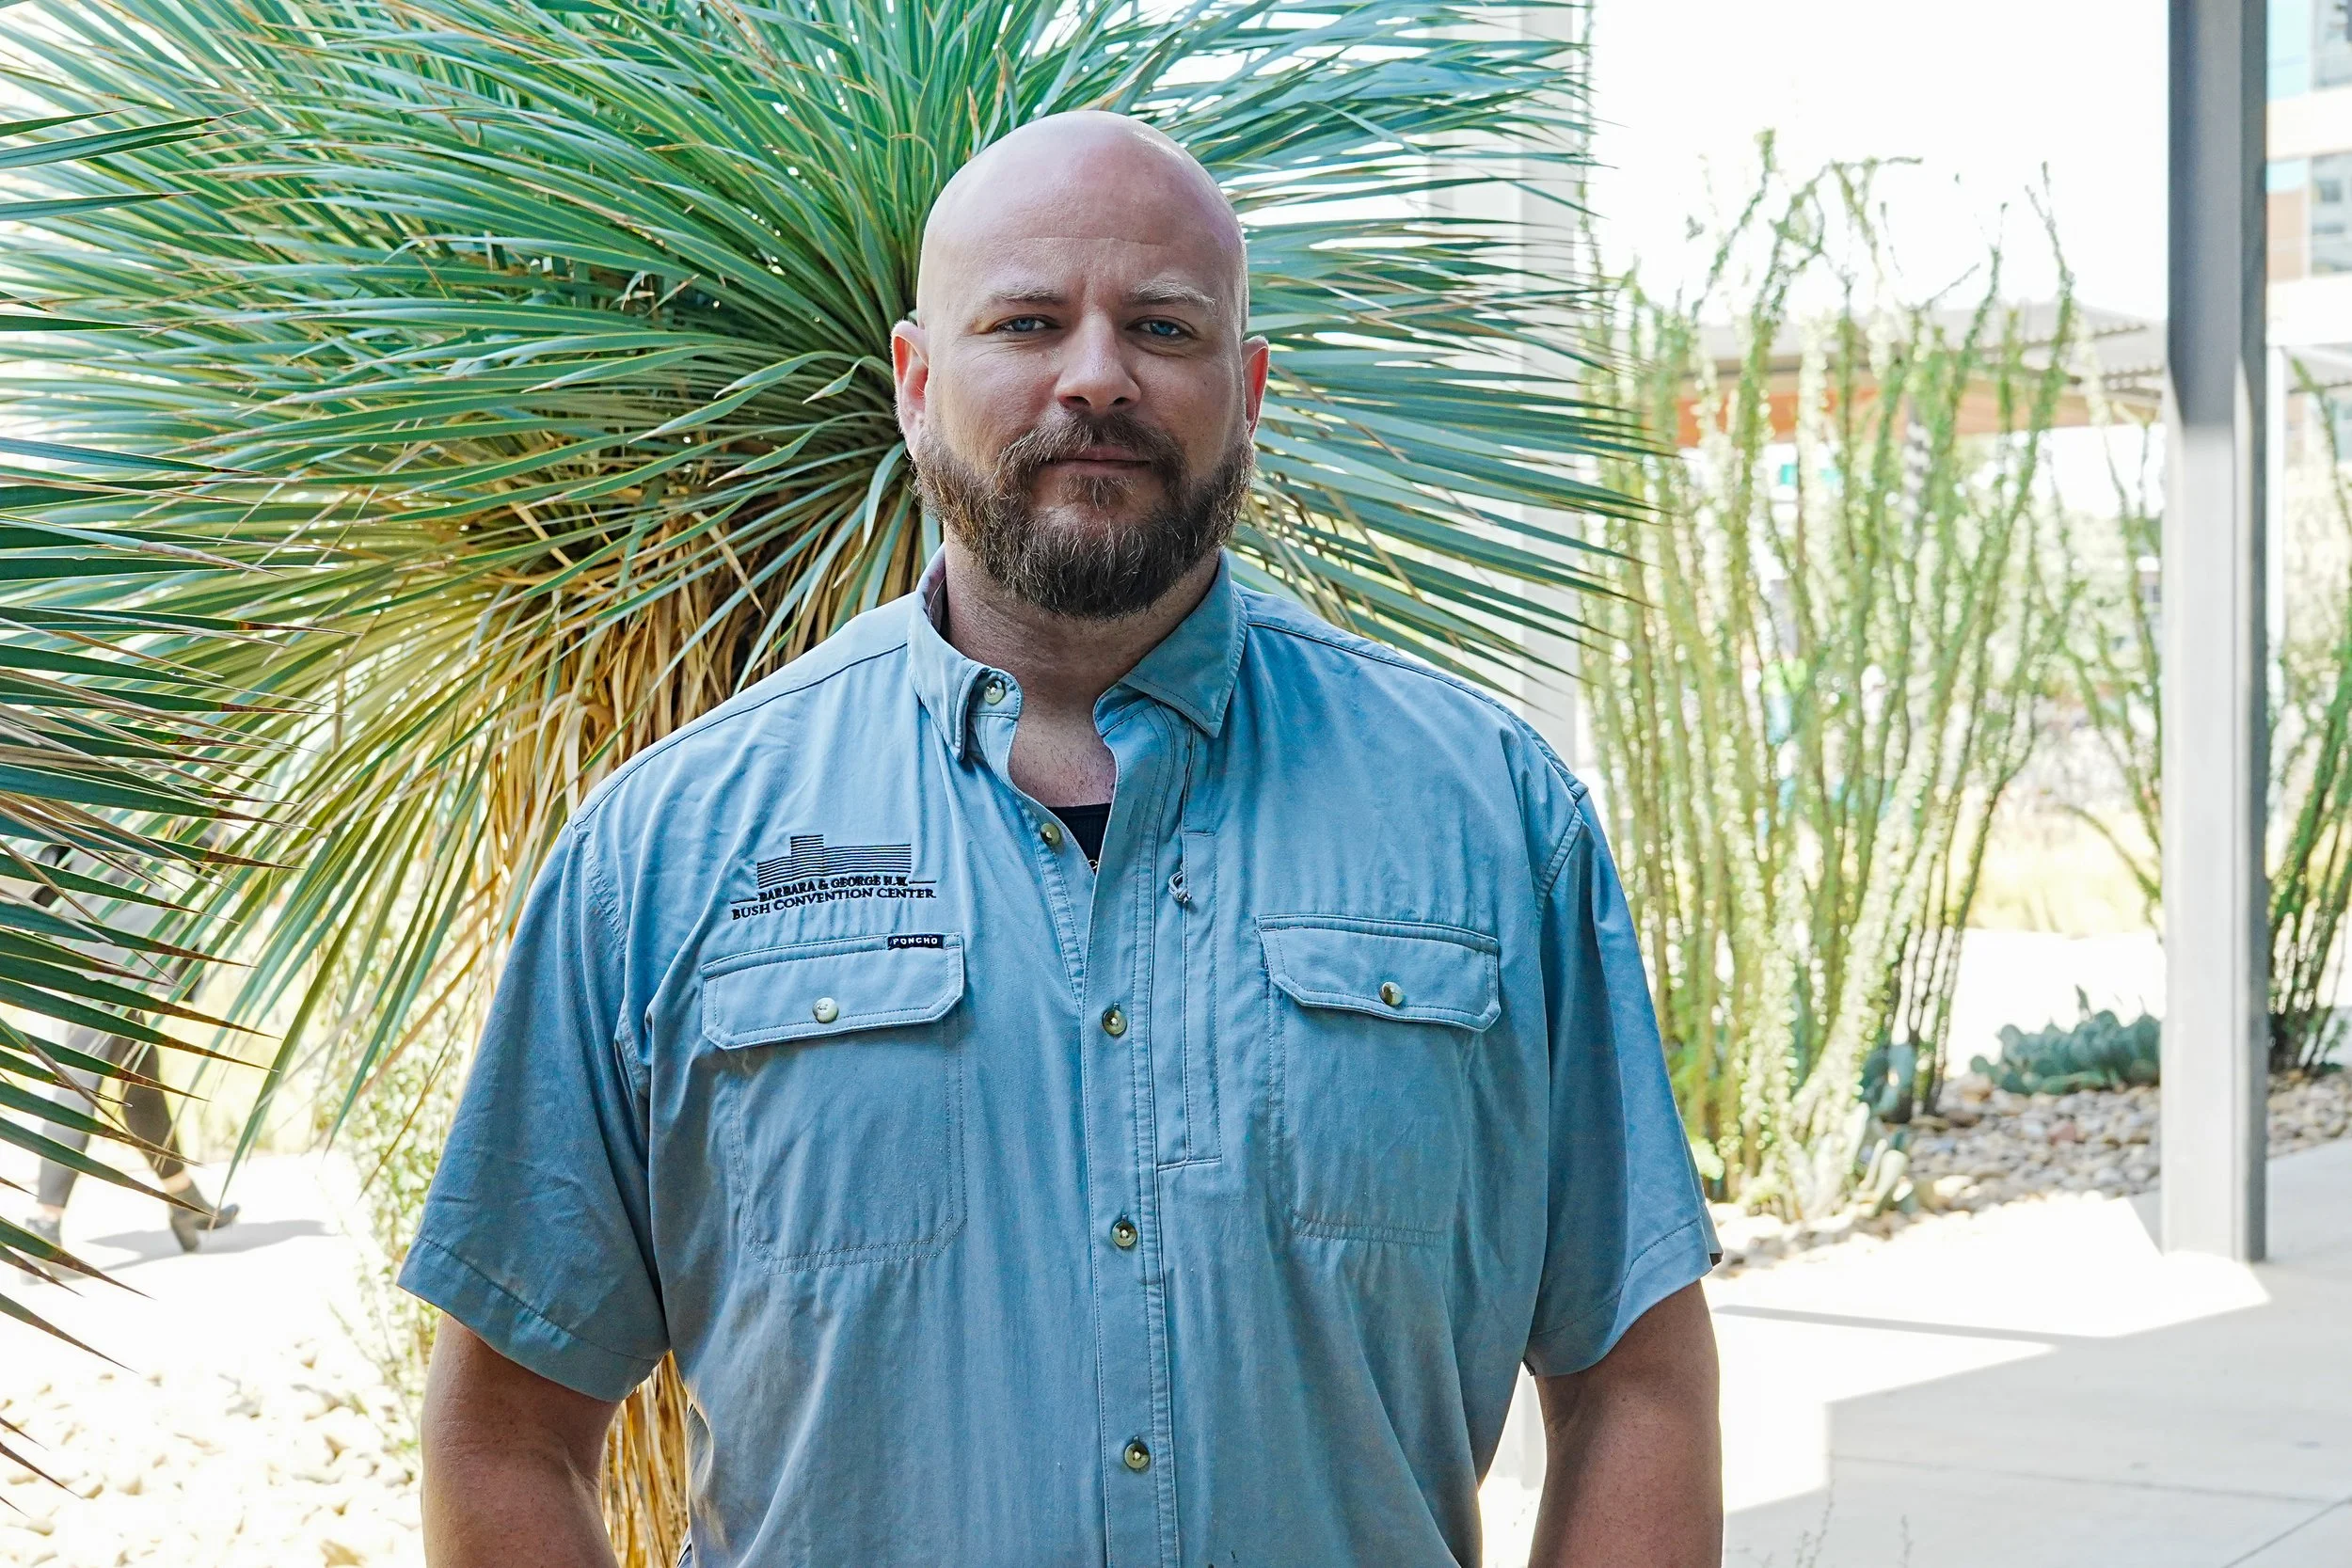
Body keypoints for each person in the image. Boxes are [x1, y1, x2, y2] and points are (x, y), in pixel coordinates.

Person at [406, 111, 1723, 1567]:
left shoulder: (1492, 820)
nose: (1096, 376)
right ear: (917, 383)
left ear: (1249, 389)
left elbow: (1634, 1380)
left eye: (1162, 325)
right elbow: (505, 1432)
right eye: (1028, 320)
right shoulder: (661, 855)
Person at [18, 851, 238, 1264]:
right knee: (80, 1084)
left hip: (99, 933)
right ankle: (43, 1222)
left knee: (140, 1078)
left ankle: (183, 1200)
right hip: (105, 939)